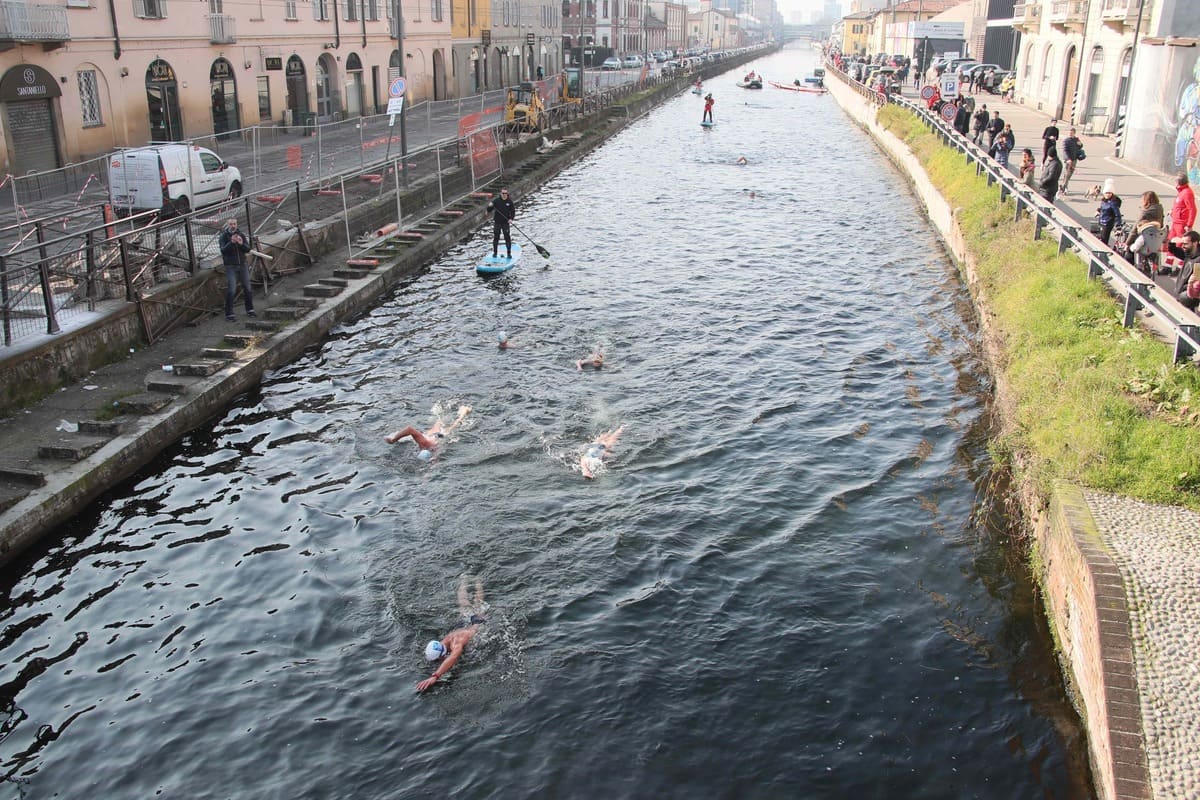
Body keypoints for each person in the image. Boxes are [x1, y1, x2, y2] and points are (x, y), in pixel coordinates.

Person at [416, 576, 487, 692]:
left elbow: (453, 657)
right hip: (461, 627)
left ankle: (478, 582)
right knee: (463, 605)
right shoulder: (442, 642)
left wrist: (435, 676)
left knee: (478, 604)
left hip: (476, 625)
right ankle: (464, 581)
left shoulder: (456, 644)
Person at [385, 404, 472, 459]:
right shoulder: (425, 445)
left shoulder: (425, 444)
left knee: (447, 425)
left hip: (435, 437)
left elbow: (410, 429)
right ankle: (463, 412)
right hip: (437, 436)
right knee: (447, 425)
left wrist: (393, 440)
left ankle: (463, 412)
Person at [219, 218, 255, 322]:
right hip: (230, 266)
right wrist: (231, 242)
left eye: (234, 224)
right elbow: (223, 250)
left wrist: (240, 244)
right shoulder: (223, 236)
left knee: (248, 288)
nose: (233, 226)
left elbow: (248, 249)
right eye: (231, 224)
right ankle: (229, 314)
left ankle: (250, 310)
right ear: (227, 225)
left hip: (242, 264)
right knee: (231, 290)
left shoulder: (241, 234)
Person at [1168, 232, 1200, 311]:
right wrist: (1173, 242)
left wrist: (1185, 290)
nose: (1183, 246)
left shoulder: (1198, 259)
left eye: (1186, 244)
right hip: (1180, 295)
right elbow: (1173, 249)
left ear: (1195, 243)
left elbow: (1197, 281)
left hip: (1188, 297)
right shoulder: (1188, 254)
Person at [488, 188, 516, 260]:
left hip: (505, 223)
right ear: (501, 194)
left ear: (507, 194)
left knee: (507, 238)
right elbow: (489, 210)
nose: (504, 195)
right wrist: (490, 206)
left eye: (505, 193)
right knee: (496, 237)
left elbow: (513, 211)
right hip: (497, 223)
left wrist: (511, 219)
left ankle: (509, 253)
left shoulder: (509, 202)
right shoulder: (496, 201)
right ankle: (495, 253)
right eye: (503, 193)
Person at [1169, 173, 1197, 242]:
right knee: (1170, 243)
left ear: (1179, 182)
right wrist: (1172, 211)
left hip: (1181, 224)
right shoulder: (1181, 192)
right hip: (1175, 222)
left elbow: (1192, 209)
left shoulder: (1187, 193)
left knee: (1180, 244)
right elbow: (1178, 205)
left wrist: (1189, 225)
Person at [1096, 178, 1122, 246]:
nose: (1108, 194)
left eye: (1109, 193)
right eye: (1106, 193)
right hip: (1101, 221)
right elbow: (1102, 208)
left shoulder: (1113, 203)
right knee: (1099, 238)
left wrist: (1118, 225)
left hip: (1107, 224)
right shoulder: (1104, 200)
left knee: (1104, 240)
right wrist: (1098, 211)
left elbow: (1117, 215)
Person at [1058, 127, 1083, 194]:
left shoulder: (1076, 139)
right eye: (1069, 133)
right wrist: (1068, 159)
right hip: (1068, 160)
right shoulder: (1066, 140)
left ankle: (1063, 186)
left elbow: (1080, 146)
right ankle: (1064, 188)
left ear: (1074, 133)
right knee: (1067, 173)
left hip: (1074, 159)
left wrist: (1080, 144)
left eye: (1071, 133)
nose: (1070, 134)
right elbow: (1065, 150)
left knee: (1069, 174)